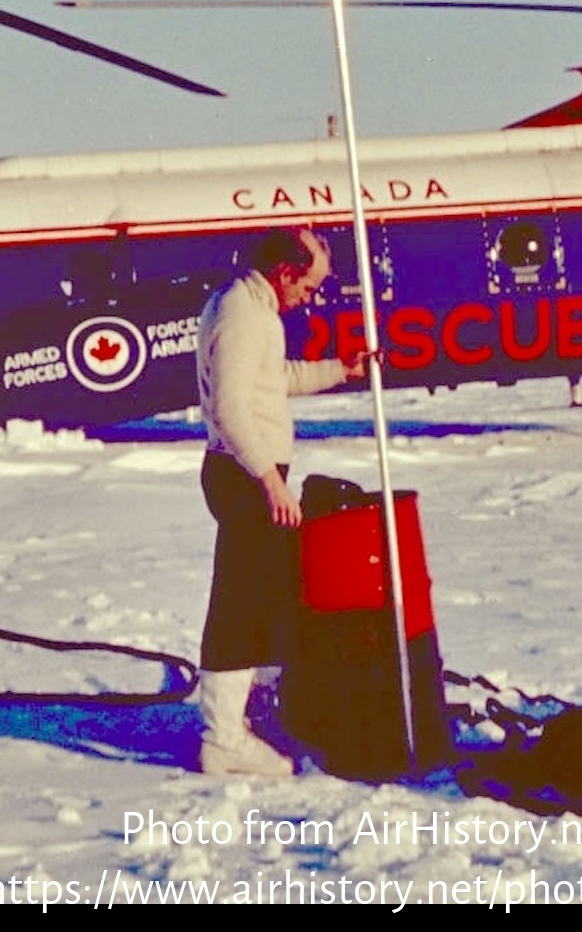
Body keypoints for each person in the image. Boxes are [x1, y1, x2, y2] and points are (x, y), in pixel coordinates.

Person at [194, 225, 364, 775]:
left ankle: (243, 717)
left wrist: (340, 370)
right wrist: (270, 481)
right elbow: (232, 408)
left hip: (250, 474)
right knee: (239, 605)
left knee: (261, 596)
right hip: (246, 477)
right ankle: (222, 739)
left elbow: (272, 381)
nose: (309, 298)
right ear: (285, 272)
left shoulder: (254, 309)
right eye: (309, 287)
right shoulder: (244, 314)